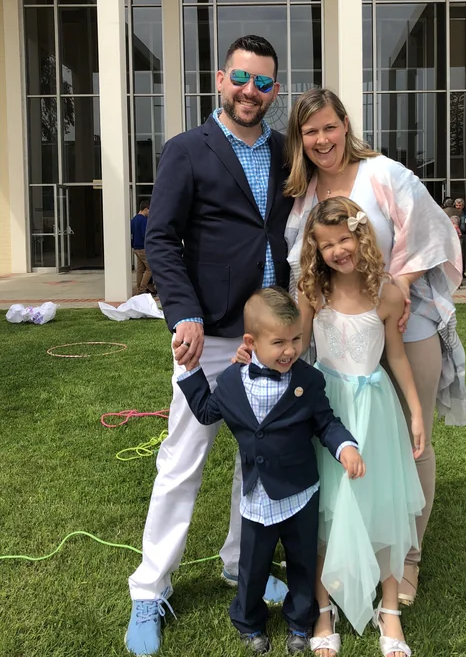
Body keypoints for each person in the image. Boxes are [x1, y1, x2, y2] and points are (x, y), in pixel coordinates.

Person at [125, 35, 293, 656]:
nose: (251, 92)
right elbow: (162, 239)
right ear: (221, 79)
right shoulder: (186, 149)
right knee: (182, 462)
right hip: (210, 338)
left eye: (264, 83)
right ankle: (149, 589)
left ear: (275, 90)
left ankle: (239, 564)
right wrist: (185, 314)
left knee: (259, 459)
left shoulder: (286, 150)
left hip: (272, 336)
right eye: (241, 79)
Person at [284, 88, 466, 617]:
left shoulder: (385, 174)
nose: (322, 140)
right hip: (339, 339)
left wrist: (402, 284)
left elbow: (431, 232)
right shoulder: (305, 193)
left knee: (411, 440)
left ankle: (407, 556)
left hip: (403, 321)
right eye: (311, 132)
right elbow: (303, 268)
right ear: (301, 140)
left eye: (329, 127)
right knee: (344, 442)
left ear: (345, 124)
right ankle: (351, 545)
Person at [179, 288, 363, 655]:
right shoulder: (232, 382)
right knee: (252, 565)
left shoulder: (308, 380)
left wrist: (345, 446)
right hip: (257, 497)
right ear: (251, 342)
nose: (290, 350)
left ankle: (300, 621)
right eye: (278, 342)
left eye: (295, 339)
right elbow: (206, 412)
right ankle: (249, 622)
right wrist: (191, 370)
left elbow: (326, 422)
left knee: (301, 562)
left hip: (299, 492)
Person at [297, 198, 425, 657]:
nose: (338, 251)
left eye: (344, 239)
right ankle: (323, 608)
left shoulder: (386, 294)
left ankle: (388, 610)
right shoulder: (313, 292)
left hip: (374, 409)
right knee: (326, 510)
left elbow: (396, 356)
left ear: (360, 235)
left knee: (380, 505)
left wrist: (415, 411)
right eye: (326, 244)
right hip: (327, 409)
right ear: (316, 250)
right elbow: (297, 345)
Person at [130, 199, 155, 296]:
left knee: (140, 269)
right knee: (150, 268)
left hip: (136, 248)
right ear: (145, 209)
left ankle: (139, 287)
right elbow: (145, 235)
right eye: (149, 210)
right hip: (143, 247)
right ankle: (142, 288)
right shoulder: (144, 220)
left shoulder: (133, 220)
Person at [453, 198, 466, 279]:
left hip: (464, 235)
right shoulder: (452, 213)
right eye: (457, 205)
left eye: (460, 205)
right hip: (454, 237)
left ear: (463, 206)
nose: (458, 207)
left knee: (464, 255)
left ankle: (462, 272)